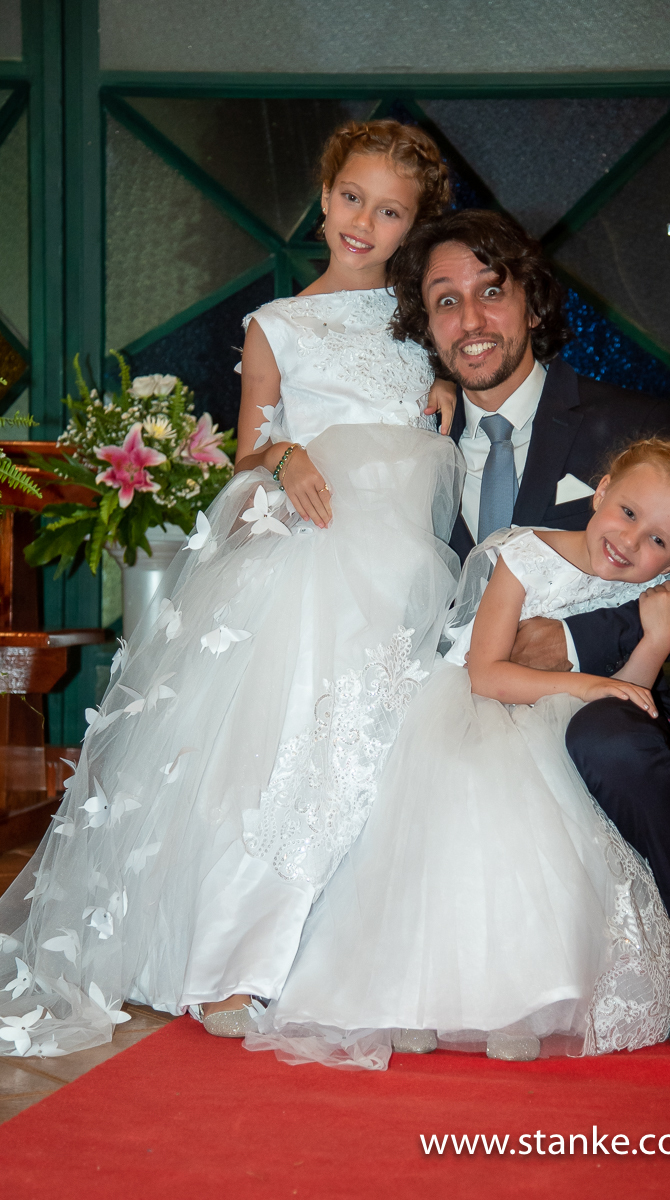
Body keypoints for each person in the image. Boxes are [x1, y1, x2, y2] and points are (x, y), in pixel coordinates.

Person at [0, 119, 465, 1057]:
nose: (361, 223)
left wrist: (445, 391)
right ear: (322, 195)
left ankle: (348, 958)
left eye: (388, 212)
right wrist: (285, 452)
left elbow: (449, 410)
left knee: (378, 755)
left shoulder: (424, 322)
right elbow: (249, 451)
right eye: (349, 200)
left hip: (405, 570)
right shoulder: (277, 325)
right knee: (281, 747)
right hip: (310, 560)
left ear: (412, 226)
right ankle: (232, 961)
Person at [386, 210, 670, 1049]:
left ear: (529, 300)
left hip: (589, 702)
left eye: (490, 291)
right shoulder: (412, 433)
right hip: (452, 700)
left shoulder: (626, 418)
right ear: (425, 323)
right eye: (444, 301)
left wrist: (575, 644)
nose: (470, 320)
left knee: (613, 736)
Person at [245, 436, 670, 1068]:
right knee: (452, 844)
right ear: (602, 489)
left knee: (535, 862)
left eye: (659, 542)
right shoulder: (524, 555)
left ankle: (515, 1000)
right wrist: (583, 683)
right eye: (629, 514)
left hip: (556, 727)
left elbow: (627, 700)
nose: (631, 543)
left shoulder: (638, 590)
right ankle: (413, 999)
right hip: (471, 715)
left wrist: (658, 638)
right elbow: (485, 674)